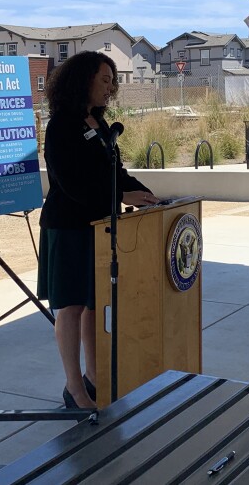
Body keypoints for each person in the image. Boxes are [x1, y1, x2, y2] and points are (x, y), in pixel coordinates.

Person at [37, 51, 160, 409]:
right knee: (71, 307)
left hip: (100, 227)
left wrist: (148, 196)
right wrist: (121, 195)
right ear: (83, 80)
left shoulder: (101, 124)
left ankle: (94, 377)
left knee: (94, 305)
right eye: (105, 80)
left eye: (112, 81)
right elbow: (71, 184)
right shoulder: (62, 126)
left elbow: (115, 174)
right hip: (68, 227)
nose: (110, 87)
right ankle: (74, 388)